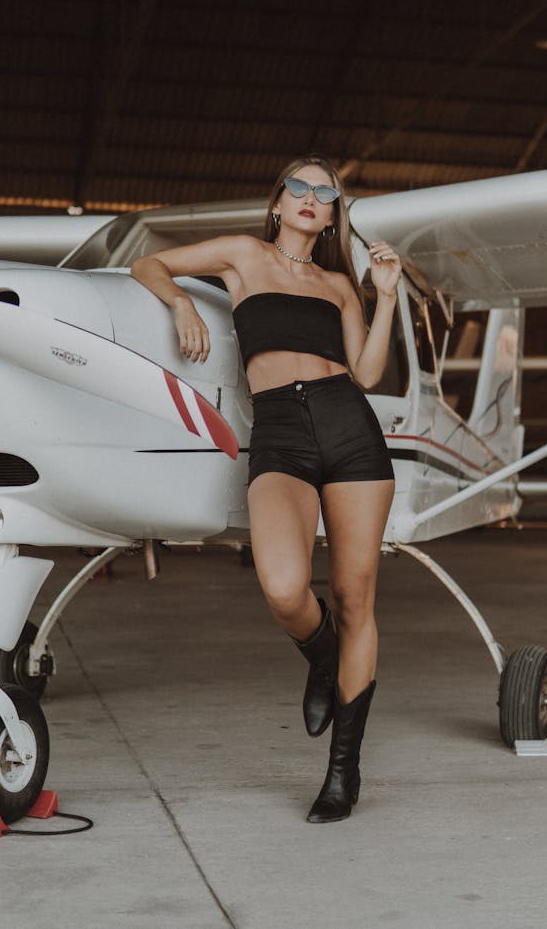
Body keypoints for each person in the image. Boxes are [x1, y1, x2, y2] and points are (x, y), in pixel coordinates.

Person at [130, 155, 401, 823]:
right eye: (299, 187)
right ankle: (325, 655)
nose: (311, 198)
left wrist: (386, 292)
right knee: (284, 587)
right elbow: (148, 263)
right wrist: (182, 301)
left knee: (353, 593)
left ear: (334, 213)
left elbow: (366, 372)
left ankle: (343, 770)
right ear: (278, 202)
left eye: (325, 192)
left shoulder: (340, 283)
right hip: (280, 430)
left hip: (350, 427)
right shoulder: (242, 255)